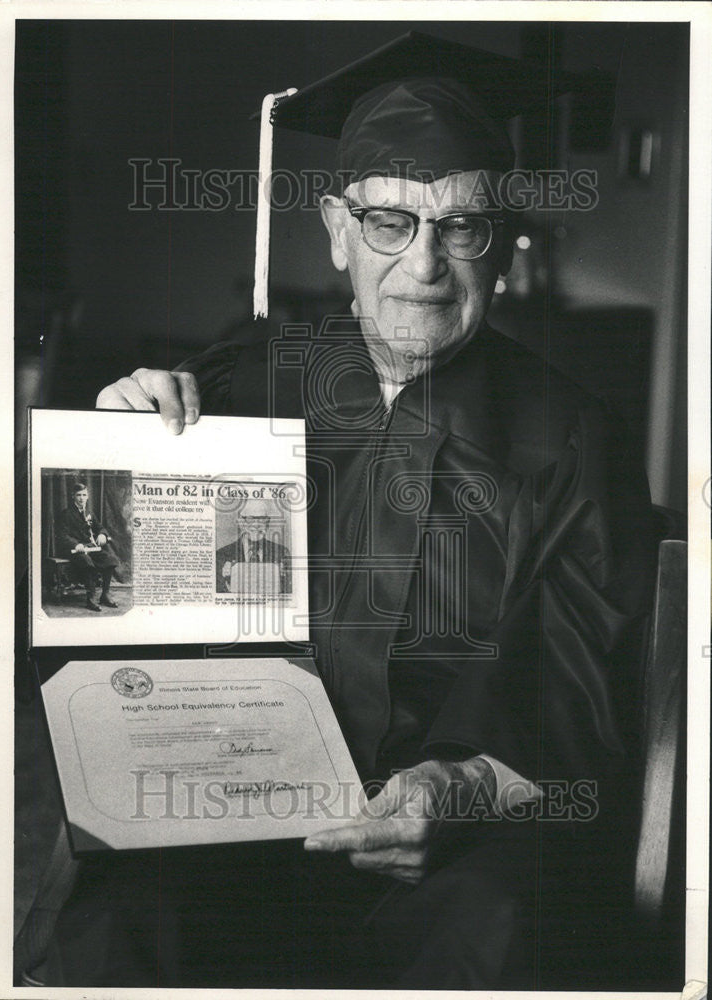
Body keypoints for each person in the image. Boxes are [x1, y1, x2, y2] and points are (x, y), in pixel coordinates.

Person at [41, 33, 657, 989]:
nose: (424, 267)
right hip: (230, 803)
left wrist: (463, 787)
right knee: (121, 925)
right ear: (335, 228)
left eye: (461, 227)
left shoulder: (576, 441)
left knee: (499, 932)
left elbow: (580, 692)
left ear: (499, 243)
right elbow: (109, 609)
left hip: (452, 840)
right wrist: (115, 459)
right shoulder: (235, 386)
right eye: (388, 223)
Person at [56, 482, 120, 612]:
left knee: (110, 560)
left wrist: (102, 534)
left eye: (84, 495)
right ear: (73, 496)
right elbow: (62, 536)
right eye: (78, 495)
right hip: (73, 549)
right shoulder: (66, 514)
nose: (81, 498)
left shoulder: (89, 513)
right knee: (87, 562)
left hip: (90, 547)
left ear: (88, 496)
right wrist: (75, 544)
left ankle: (105, 596)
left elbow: (100, 527)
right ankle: (91, 599)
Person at [215, 497, 292, 593]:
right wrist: (227, 581)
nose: (256, 525)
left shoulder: (281, 553)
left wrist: (282, 578)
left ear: (267, 523)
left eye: (262, 519)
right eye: (250, 519)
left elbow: (291, 591)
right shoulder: (222, 555)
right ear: (241, 523)